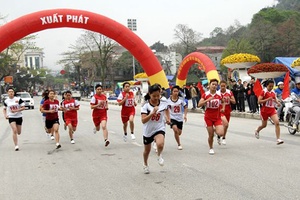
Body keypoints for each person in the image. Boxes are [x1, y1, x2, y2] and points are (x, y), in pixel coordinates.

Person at [141, 84, 170, 174]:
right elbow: (143, 120)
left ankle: (159, 155)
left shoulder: (163, 102)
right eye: (154, 96)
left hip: (159, 127)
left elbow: (167, 110)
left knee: (160, 144)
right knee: (147, 150)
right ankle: (145, 164)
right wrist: (152, 113)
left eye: (158, 95)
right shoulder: (145, 105)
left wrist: (168, 119)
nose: (156, 98)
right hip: (148, 130)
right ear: (149, 94)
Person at [198, 79, 225, 155]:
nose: (214, 86)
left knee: (221, 133)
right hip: (208, 117)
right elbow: (199, 104)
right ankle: (211, 148)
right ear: (209, 85)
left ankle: (217, 133)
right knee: (211, 134)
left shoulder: (219, 94)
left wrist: (223, 108)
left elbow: (223, 102)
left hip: (217, 116)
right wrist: (207, 100)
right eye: (213, 84)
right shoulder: (205, 94)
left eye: (216, 85)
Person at [254, 80, 284, 145]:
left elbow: (274, 99)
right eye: (270, 86)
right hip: (264, 110)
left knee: (277, 122)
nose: (271, 87)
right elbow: (259, 101)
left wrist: (277, 103)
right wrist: (267, 99)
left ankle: (278, 139)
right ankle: (257, 130)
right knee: (264, 125)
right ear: (266, 85)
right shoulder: (263, 92)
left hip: (272, 110)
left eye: (272, 86)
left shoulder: (273, 92)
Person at [167, 85, 187, 150]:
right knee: (175, 130)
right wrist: (167, 118)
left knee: (179, 132)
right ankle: (179, 144)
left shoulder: (180, 100)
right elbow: (165, 109)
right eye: (174, 91)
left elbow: (185, 107)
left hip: (179, 118)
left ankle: (177, 135)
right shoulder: (168, 100)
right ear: (172, 92)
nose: (176, 93)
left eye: (177, 91)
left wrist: (185, 115)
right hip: (172, 117)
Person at [218, 80, 236, 145]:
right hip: (220, 110)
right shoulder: (217, 93)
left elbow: (234, 101)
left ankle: (222, 136)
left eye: (224, 86)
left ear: (226, 86)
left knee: (226, 125)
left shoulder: (229, 92)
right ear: (219, 86)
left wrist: (229, 99)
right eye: (221, 86)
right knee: (223, 124)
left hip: (228, 110)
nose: (223, 87)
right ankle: (222, 137)